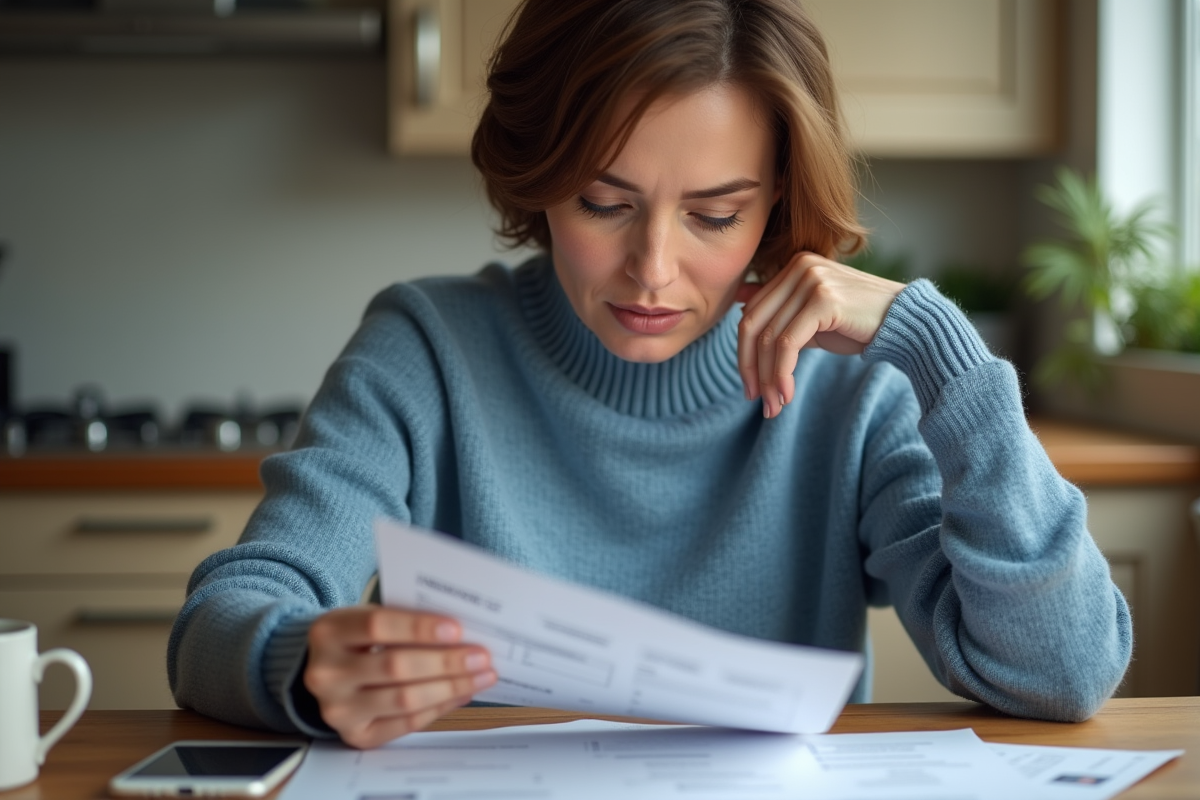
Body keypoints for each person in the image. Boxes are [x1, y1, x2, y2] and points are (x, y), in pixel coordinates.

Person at [168, 0, 1131, 749]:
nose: (653, 271)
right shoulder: (427, 349)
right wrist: (299, 664)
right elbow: (223, 618)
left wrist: (941, 354)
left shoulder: (852, 390)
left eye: (715, 215)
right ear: (539, 176)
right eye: (603, 201)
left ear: (777, 204)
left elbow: (1064, 673)